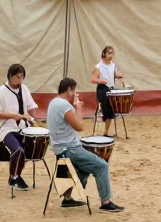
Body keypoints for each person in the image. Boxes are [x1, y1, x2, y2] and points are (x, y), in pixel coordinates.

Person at [47, 77, 124, 213]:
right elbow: (79, 126)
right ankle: (106, 202)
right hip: (69, 149)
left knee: (85, 167)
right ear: (70, 89)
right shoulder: (64, 105)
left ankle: (68, 198)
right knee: (102, 166)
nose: (76, 93)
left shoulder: (53, 102)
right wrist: (79, 108)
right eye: (74, 90)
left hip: (60, 149)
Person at [0, 63, 39, 191]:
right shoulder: (0, 92)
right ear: (10, 76)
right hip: (6, 129)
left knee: (33, 150)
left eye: (22, 77)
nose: (20, 80)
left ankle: (16, 172)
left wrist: (33, 120)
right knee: (18, 151)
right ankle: (14, 177)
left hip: (23, 128)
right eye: (18, 77)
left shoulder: (24, 88)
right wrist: (13, 116)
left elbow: (32, 106)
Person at [90, 45, 124, 136]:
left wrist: (118, 75)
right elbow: (93, 79)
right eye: (109, 53)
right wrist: (101, 80)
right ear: (104, 53)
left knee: (110, 111)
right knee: (103, 110)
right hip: (102, 90)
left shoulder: (113, 65)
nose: (111, 55)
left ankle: (106, 132)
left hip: (111, 90)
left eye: (112, 53)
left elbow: (112, 75)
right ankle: (99, 132)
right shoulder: (98, 66)